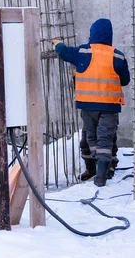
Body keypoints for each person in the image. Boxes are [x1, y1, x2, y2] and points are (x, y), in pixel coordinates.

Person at [55, 18, 130, 187]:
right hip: (109, 107)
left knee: (91, 138)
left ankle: (93, 170)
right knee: (106, 138)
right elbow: (125, 80)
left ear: (92, 33)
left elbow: (64, 52)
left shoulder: (83, 52)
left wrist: (58, 44)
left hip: (87, 105)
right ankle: (102, 174)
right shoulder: (117, 55)